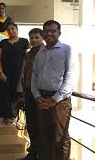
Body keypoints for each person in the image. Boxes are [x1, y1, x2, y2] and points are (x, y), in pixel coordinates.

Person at [31, 20, 75, 160]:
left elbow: (70, 77)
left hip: (60, 101)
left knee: (60, 138)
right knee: (45, 136)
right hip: (42, 99)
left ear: (59, 33)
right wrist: (37, 96)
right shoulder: (40, 53)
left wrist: (54, 99)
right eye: (46, 31)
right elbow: (34, 76)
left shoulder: (67, 50)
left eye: (53, 31)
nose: (49, 33)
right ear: (43, 33)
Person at [17, 28, 44, 160]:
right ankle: (32, 153)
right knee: (31, 124)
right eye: (31, 37)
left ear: (42, 37)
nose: (34, 40)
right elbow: (24, 75)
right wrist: (22, 94)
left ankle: (41, 154)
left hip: (42, 95)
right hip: (29, 94)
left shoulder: (46, 53)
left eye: (36, 37)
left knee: (41, 125)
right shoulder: (28, 54)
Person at [0, 22, 29, 124]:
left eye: (13, 29)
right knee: (3, 93)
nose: (11, 31)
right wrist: (0, 72)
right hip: (4, 72)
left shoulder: (24, 41)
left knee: (15, 93)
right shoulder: (3, 42)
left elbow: (27, 57)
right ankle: (3, 114)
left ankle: (11, 115)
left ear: (17, 29)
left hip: (18, 73)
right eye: (9, 30)